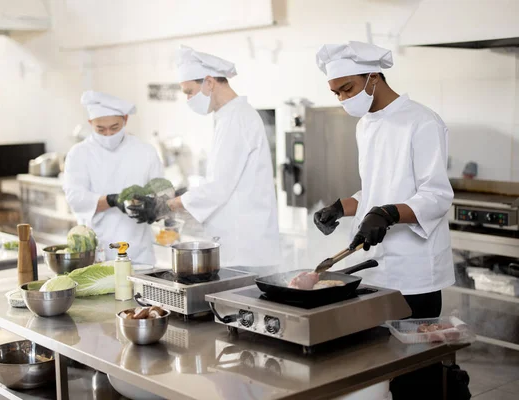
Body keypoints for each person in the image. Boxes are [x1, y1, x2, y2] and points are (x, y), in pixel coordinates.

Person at [314, 41, 458, 400]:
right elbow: (375, 191)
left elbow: (437, 195)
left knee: (416, 376)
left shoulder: (422, 121)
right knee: (381, 367)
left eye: (346, 89)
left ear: (374, 77)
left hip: (415, 274)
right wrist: (341, 206)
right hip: (378, 273)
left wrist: (390, 213)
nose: (342, 99)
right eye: (335, 92)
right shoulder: (366, 125)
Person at [129, 46, 280, 268]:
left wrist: (165, 206)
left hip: (245, 249)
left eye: (189, 92)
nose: (189, 99)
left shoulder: (235, 119)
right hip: (242, 245)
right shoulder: (228, 117)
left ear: (209, 82)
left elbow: (218, 186)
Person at [63, 90, 163, 263]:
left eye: (114, 128)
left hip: (139, 252)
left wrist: (154, 208)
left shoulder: (145, 152)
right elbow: (75, 199)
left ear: (125, 119)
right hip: (98, 251)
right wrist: (112, 200)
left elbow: (161, 194)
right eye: (100, 129)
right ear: (90, 123)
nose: (108, 134)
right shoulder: (78, 154)